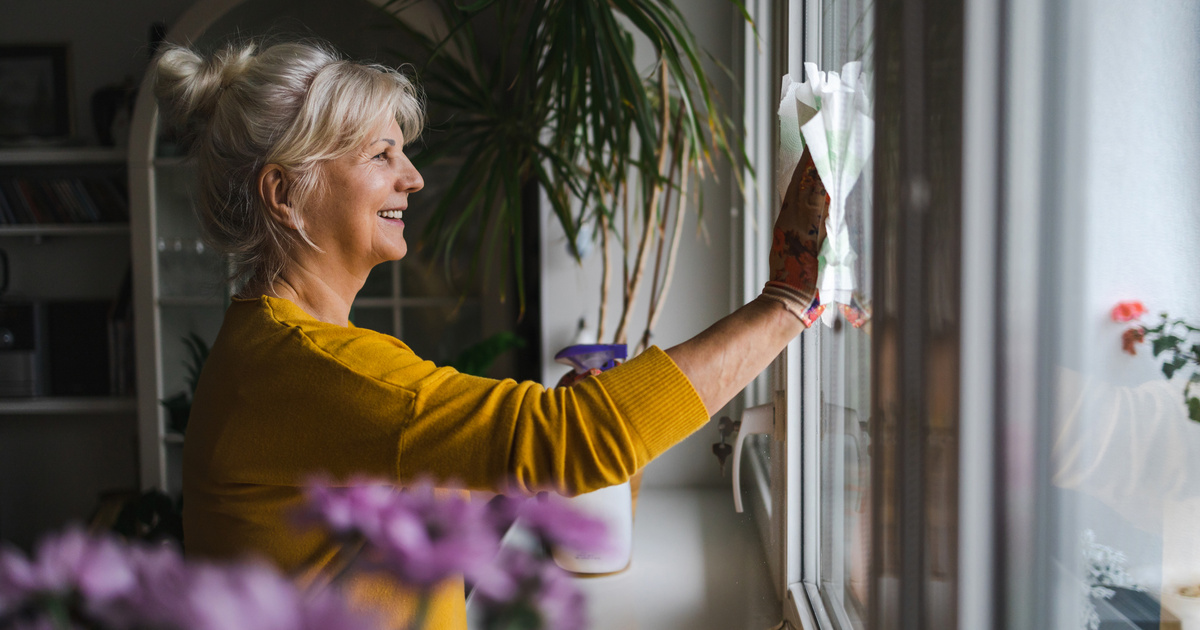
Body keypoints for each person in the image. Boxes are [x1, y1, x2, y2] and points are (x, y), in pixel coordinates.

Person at [152, 39, 827, 629]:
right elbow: (574, 440)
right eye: (381, 154)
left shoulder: (273, 347)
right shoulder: (316, 368)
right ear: (284, 191)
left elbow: (379, 561)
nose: (412, 178)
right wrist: (787, 298)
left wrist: (511, 469)